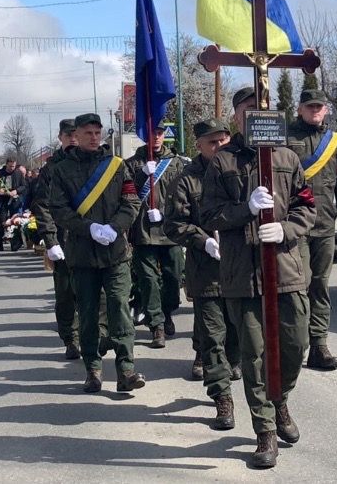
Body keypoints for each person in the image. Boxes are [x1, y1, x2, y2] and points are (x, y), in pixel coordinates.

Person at [201, 87, 316, 469]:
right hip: (242, 273)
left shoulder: (287, 156)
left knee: (296, 344)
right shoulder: (222, 162)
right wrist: (244, 211)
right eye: (248, 109)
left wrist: (286, 228)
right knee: (253, 355)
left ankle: (280, 399)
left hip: (286, 269)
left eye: (260, 107)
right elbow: (210, 216)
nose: (255, 113)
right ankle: (265, 429)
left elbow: (307, 206)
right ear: (237, 117)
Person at [47, 113, 145, 393]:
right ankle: (93, 369)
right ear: (76, 135)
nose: (93, 137)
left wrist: (116, 227)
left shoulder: (116, 166)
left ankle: (126, 369)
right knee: (88, 314)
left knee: (119, 307)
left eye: (97, 132)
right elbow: (59, 210)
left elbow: (131, 201)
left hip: (116, 253)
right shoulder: (62, 170)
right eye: (87, 133)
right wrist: (88, 228)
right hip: (81, 255)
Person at [164, 117, 241, 431]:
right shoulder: (186, 179)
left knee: (237, 336)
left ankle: (230, 369)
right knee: (212, 338)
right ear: (198, 145)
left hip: (240, 269)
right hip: (206, 271)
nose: (219, 146)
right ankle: (222, 398)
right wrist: (203, 240)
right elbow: (174, 224)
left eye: (223, 140)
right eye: (212, 142)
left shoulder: (239, 171)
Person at [285, 88, 337, 371]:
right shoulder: (285, 138)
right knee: (297, 286)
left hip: (325, 225)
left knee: (320, 286)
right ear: (299, 109)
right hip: (295, 225)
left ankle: (319, 344)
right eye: (310, 106)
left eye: (319, 107)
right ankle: (296, 342)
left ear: (326, 110)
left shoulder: (335, 143)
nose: (315, 111)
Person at [126, 123, 188, 348]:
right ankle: (156, 325)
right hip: (143, 231)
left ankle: (167, 311)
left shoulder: (177, 163)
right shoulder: (132, 164)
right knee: (148, 280)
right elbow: (124, 195)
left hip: (170, 230)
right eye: (152, 132)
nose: (156, 137)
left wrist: (167, 213)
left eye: (160, 133)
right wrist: (141, 176)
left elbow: (185, 194)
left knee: (173, 277)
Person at [31, 118, 88, 360]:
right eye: (68, 135)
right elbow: (42, 206)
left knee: (90, 291)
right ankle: (70, 339)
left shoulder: (92, 162)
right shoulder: (51, 168)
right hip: (63, 238)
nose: (73, 138)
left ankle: (91, 336)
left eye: (76, 134)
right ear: (60, 138)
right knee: (65, 293)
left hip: (88, 237)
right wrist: (51, 241)